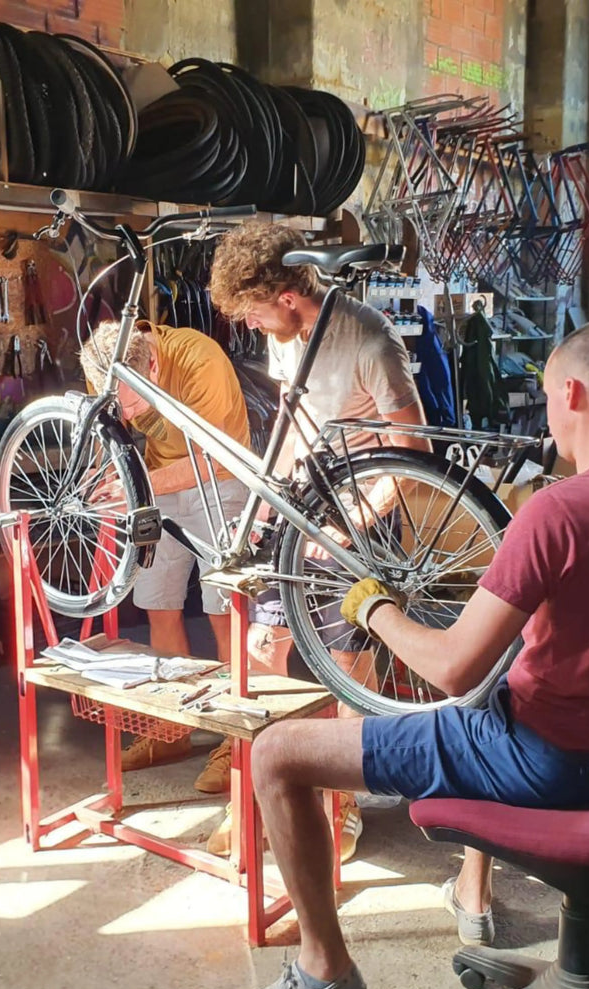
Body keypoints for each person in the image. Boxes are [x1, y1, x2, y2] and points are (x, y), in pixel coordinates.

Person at [231, 318, 589, 989]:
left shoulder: (556, 512)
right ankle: (468, 890)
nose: (549, 411)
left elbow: (453, 669)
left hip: (539, 758)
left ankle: (323, 968)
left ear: (570, 392)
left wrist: (376, 613)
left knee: (274, 754)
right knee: (496, 680)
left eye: (549, 395)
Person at [200, 221, 430, 860]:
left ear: (289, 296)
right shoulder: (286, 334)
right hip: (300, 510)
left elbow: (414, 453)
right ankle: (248, 799)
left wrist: (349, 527)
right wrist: (274, 499)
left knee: (346, 669)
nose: (248, 324)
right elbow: (298, 423)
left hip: (364, 517)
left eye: (251, 311)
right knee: (263, 648)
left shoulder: (371, 342)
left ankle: (343, 806)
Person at [79, 317, 252, 771]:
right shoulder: (109, 360)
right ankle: (172, 730)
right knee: (158, 602)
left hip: (222, 480)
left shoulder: (200, 361)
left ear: (152, 367)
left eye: (134, 404)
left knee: (223, 610)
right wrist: (105, 480)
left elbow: (213, 460)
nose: (130, 416)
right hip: (161, 485)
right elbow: (105, 427)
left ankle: (234, 742)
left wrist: (137, 485)